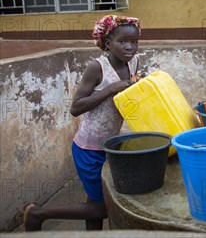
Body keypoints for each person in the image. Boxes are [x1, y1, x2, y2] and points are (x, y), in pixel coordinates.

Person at [23, 15, 142, 231]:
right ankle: (38, 214)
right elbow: (75, 108)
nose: (129, 47)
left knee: (94, 199)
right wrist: (109, 90)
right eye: (122, 41)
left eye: (134, 42)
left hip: (110, 145)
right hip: (89, 148)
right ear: (107, 43)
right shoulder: (97, 68)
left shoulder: (133, 63)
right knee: (101, 209)